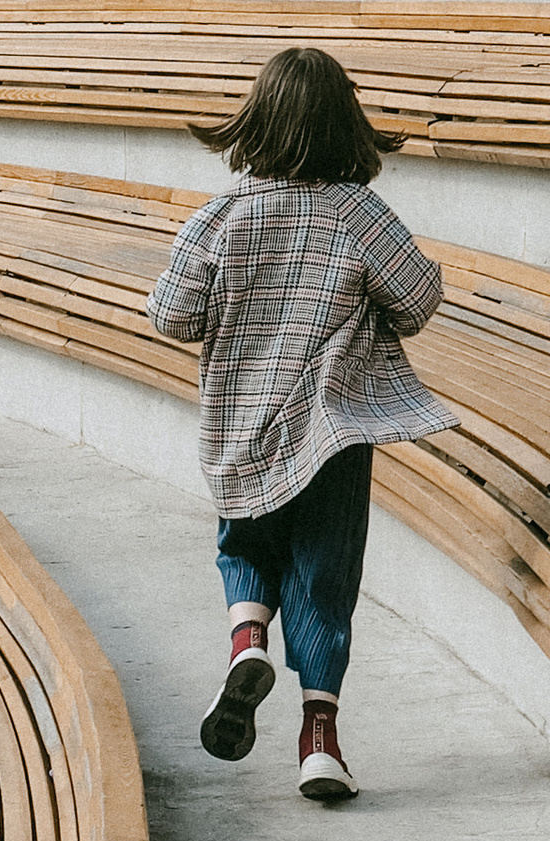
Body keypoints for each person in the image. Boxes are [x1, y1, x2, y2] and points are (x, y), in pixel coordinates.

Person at [147, 46, 459, 803]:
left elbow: (171, 314)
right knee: (324, 580)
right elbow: (417, 301)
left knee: (245, 544)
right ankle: (320, 740)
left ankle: (246, 640)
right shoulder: (358, 213)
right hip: (331, 431)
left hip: (240, 429)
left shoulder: (222, 216)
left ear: (256, 121)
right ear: (345, 126)